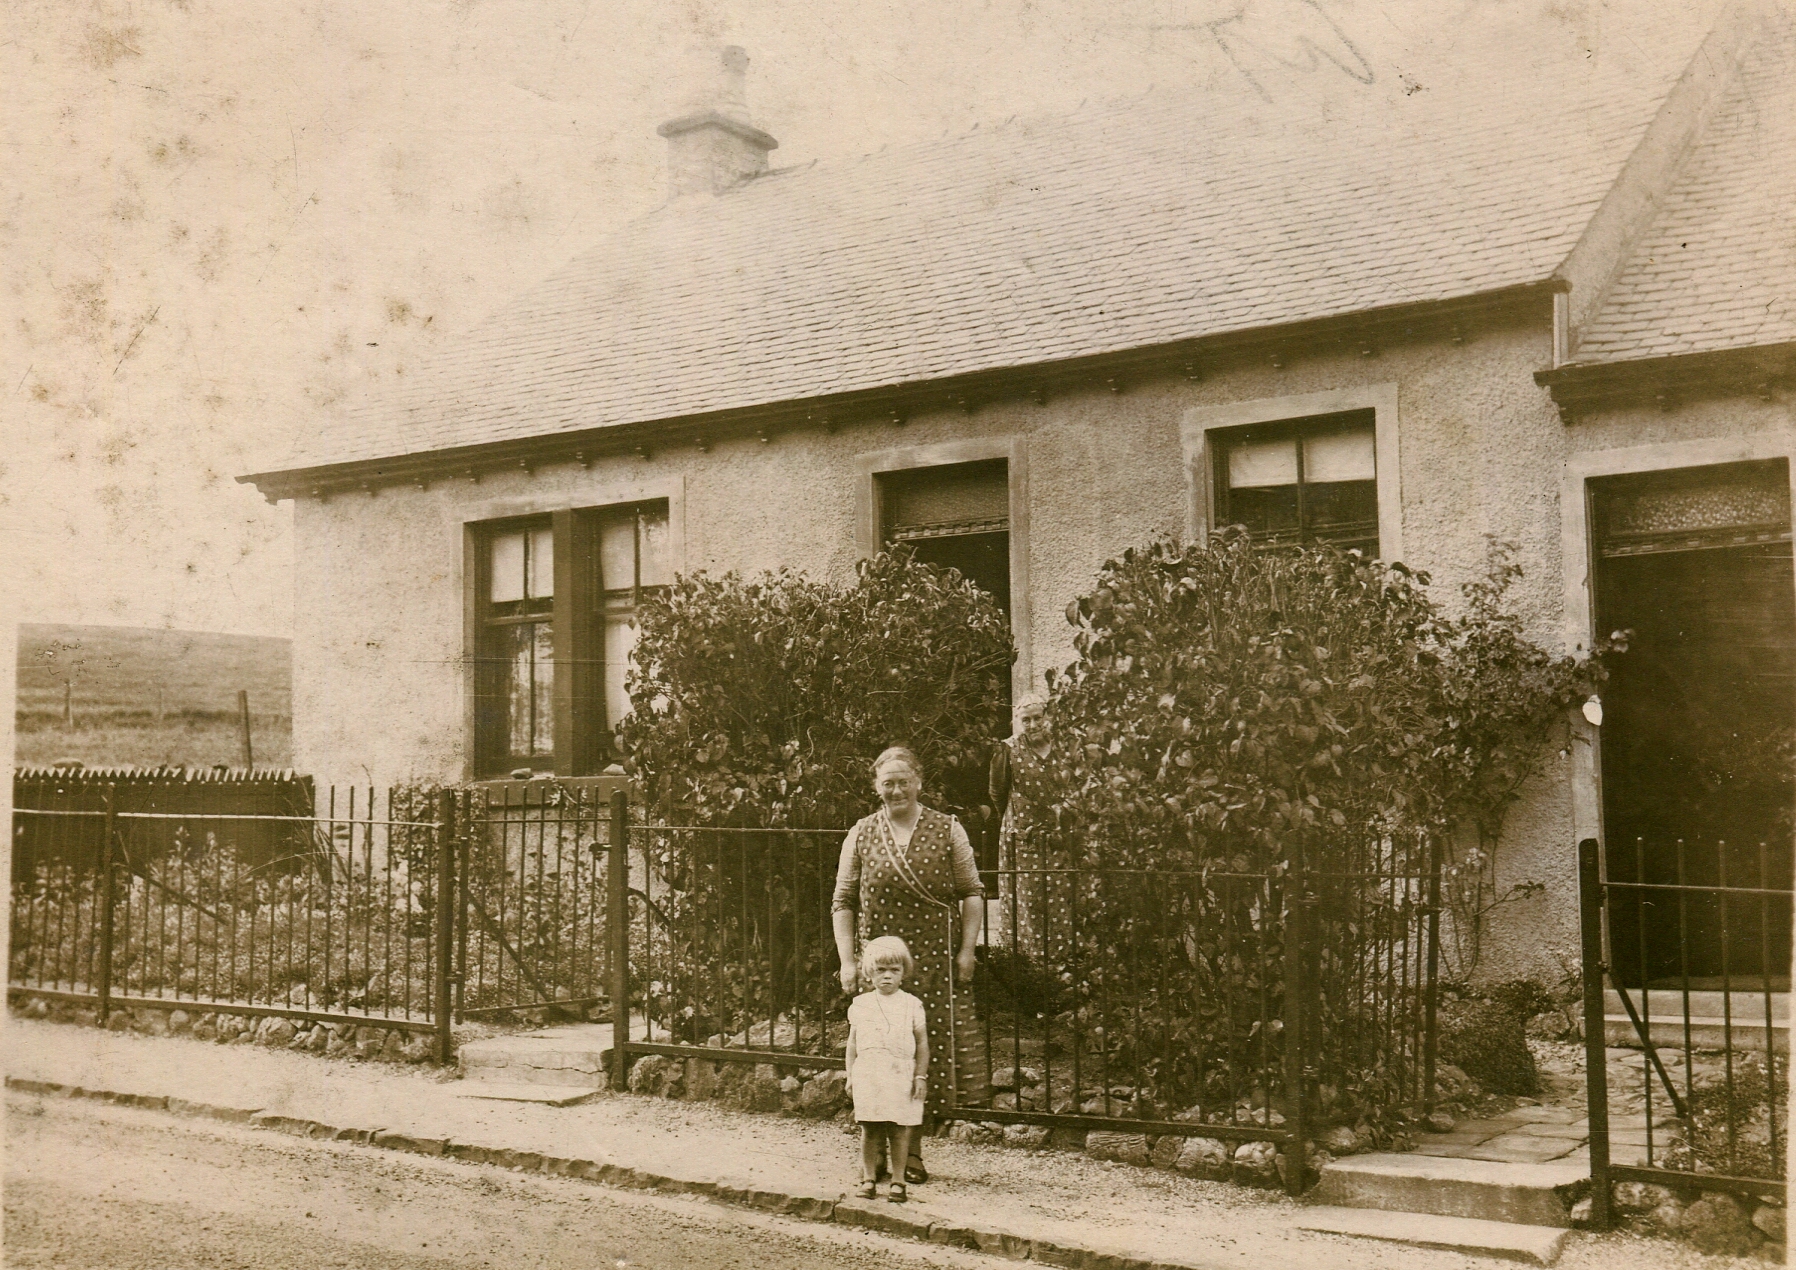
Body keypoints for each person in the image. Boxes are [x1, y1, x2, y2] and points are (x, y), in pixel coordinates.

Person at [832, 746, 987, 1185]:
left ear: (919, 782)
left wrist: (967, 951)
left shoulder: (948, 828)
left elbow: (972, 892)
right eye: (888, 783)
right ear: (876, 787)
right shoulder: (861, 832)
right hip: (879, 968)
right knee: (878, 1056)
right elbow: (842, 901)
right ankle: (876, 1155)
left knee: (917, 1055)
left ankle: (911, 1153)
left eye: (904, 781)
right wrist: (848, 961)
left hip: (933, 964)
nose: (897, 790)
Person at [844, 935, 929, 1203]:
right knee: (870, 1128)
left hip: (900, 1074)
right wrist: (850, 1076)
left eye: (894, 970)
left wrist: (920, 1076)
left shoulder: (911, 1004)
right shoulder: (861, 1004)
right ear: (869, 973)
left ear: (904, 972)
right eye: (880, 970)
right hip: (870, 1073)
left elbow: (922, 1044)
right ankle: (869, 1178)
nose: (887, 976)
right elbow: (852, 1044)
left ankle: (898, 1181)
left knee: (899, 1130)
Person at [988, 694, 1063, 956]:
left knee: (1063, 892)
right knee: (1030, 898)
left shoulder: (1063, 745)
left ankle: (1066, 959)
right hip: (1023, 835)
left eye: (1037, 718)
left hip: (1060, 832)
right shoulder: (1008, 750)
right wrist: (1016, 818)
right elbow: (997, 792)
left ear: (1047, 717)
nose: (1032, 725)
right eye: (1026, 720)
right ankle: (1030, 960)